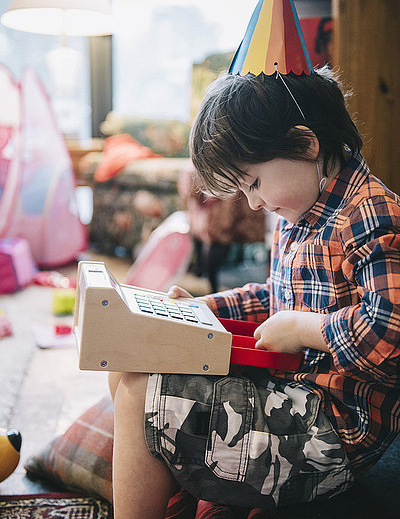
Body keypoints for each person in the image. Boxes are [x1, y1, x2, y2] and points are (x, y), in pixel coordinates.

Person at [108, 66, 400, 518]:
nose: (254, 203)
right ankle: (178, 498)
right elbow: (272, 295)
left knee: (137, 395)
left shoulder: (372, 217)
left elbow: (390, 336)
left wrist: (306, 329)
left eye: (255, 183)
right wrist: (201, 310)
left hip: (331, 435)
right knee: (131, 362)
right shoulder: (298, 212)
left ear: (306, 144)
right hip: (286, 393)